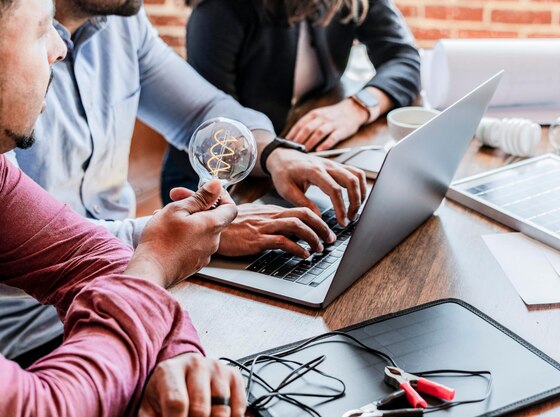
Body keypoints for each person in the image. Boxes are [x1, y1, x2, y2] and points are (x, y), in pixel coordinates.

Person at [2, 0, 367, 361]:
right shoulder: (11, 62)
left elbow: (202, 110)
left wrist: (274, 153)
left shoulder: (123, 24)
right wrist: (172, 237)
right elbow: (34, 242)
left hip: (138, 275)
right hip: (33, 332)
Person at [0, 0, 245, 414]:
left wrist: (175, 360)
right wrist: (153, 261)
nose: (60, 50)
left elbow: (90, 257)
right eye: (42, 29)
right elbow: (43, 406)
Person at [161, 0, 421, 200]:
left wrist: (357, 108)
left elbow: (404, 59)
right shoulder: (219, 8)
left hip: (299, 156)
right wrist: (277, 156)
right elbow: (216, 125)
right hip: (216, 177)